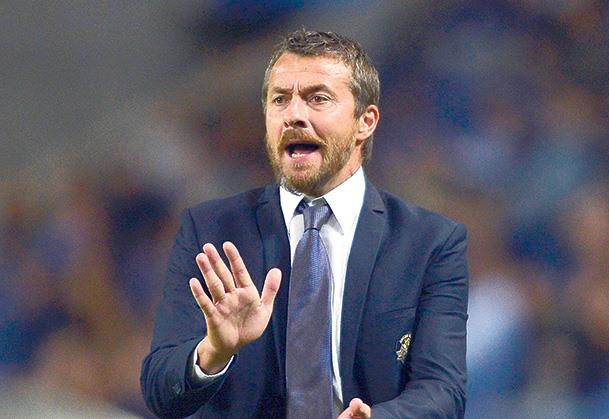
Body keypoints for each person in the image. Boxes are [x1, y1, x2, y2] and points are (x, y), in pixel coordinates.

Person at [141, 29, 469, 418]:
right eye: (280, 99)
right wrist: (214, 351)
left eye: (318, 99)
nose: (294, 115)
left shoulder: (430, 242)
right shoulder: (211, 230)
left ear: (365, 121)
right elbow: (160, 392)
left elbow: (443, 391)